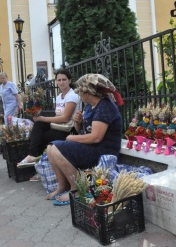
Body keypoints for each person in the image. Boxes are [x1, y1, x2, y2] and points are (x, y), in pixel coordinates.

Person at [46, 73, 123, 206]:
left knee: (58, 148)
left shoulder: (105, 106)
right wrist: (78, 123)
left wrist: (71, 138)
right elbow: (83, 131)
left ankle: (77, 190)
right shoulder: (89, 105)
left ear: (87, 92)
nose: (79, 95)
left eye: (80, 91)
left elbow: (96, 137)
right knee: (50, 147)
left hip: (103, 150)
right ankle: (62, 186)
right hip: (92, 147)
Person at [17, 69, 80, 168]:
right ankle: (34, 158)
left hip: (69, 129)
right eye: (59, 80)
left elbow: (65, 118)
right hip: (60, 127)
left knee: (44, 135)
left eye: (64, 79)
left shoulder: (72, 95)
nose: (61, 82)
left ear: (69, 81)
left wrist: (42, 118)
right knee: (38, 127)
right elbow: (57, 116)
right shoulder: (59, 96)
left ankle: (38, 162)